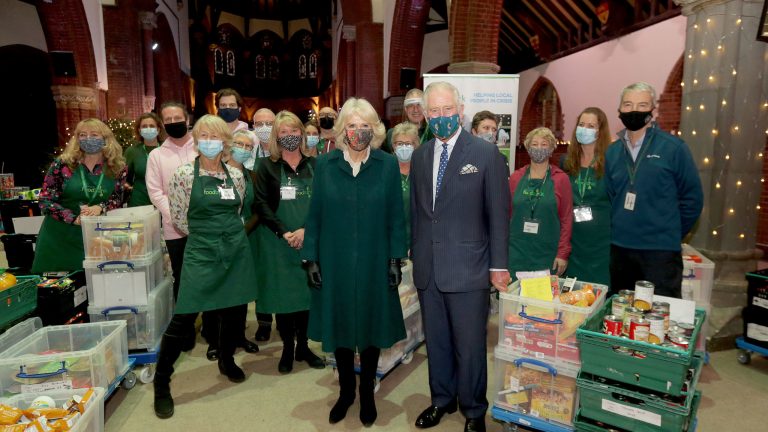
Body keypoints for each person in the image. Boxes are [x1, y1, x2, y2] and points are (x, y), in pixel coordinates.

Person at [410, 82, 509, 432]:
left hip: (469, 269)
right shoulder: (420, 156)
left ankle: (472, 409)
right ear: (425, 114)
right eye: (433, 111)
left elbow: (498, 215)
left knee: (469, 346)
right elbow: (418, 214)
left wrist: (498, 266)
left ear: (460, 110)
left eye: (446, 110)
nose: (440, 118)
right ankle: (441, 399)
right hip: (428, 269)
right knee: (435, 342)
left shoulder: (485, 155)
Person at [301, 97, 406, 427]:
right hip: (335, 260)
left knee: (372, 327)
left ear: (373, 129)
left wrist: (394, 259)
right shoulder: (326, 165)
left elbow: (395, 217)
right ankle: (346, 391)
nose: (358, 131)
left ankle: (368, 391)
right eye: (352, 125)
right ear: (343, 130)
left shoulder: (387, 165)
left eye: (365, 126)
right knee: (342, 325)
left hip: (376, 260)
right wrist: (311, 259)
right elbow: (314, 215)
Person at [153, 115, 258, 419]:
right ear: (196, 140)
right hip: (201, 249)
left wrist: (226, 235)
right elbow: (179, 218)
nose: (210, 140)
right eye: (204, 135)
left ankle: (226, 360)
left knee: (235, 310)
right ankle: (162, 383)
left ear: (225, 141)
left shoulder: (236, 176)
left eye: (216, 136)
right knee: (184, 315)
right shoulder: (184, 175)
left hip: (236, 249)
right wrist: (210, 234)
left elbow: (238, 211)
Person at [605, 82, 703, 298]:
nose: (634, 111)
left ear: (653, 111)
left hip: (660, 254)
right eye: (628, 104)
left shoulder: (674, 148)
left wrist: (669, 231)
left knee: (659, 319)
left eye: (642, 105)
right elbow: (611, 196)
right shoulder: (612, 152)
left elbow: (692, 200)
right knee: (623, 317)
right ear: (619, 110)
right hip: (620, 250)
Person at [252, 111, 324, 374]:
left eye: (294, 130)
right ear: (276, 136)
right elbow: (261, 204)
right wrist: (285, 232)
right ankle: (287, 348)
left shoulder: (316, 165)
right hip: (278, 243)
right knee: (284, 300)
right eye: (284, 132)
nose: (290, 136)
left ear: (302, 134)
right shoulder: (266, 166)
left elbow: (323, 203)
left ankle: (303, 346)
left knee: (306, 297)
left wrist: (306, 230)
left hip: (309, 239)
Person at [146, 102, 218, 360]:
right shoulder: (157, 155)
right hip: (175, 229)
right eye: (169, 118)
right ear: (162, 123)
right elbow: (156, 191)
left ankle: (211, 329)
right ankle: (185, 329)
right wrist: (177, 216)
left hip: (206, 226)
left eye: (178, 116)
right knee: (184, 279)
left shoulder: (202, 148)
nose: (174, 121)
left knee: (210, 277)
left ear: (187, 119)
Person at [32, 119, 128, 274]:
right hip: (60, 237)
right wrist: (73, 218)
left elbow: (117, 199)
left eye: (94, 134)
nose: (88, 138)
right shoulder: (63, 164)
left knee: (95, 289)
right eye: (83, 135)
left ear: (105, 138)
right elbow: (45, 200)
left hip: (97, 238)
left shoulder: (117, 167)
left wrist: (100, 207)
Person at [508, 127, 573, 280]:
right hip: (516, 254)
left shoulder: (561, 179)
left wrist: (563, 253)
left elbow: (566, 219)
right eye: (534, 144)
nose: (539, 148)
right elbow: (506, 216)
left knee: (543, 302)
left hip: (547, 255)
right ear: (527, 147)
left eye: (544, 144)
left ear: (551, 149)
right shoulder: (516, 178)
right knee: (514, 301)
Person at [560, 107, 612, 286]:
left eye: (591, 125)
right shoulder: (566, 162)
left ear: (600, 131)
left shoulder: (611, 163)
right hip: (574, 242)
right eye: (581, 125)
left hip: (601, 244)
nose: (585, 129)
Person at [225, 129, 261, 355]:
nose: (244, 149)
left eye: (249, 146)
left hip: (246, 238)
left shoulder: (253, 176)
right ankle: (216, 340)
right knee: (220, 290)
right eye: (239, 144)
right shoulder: (216, 173)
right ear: (229, 145)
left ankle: (239, 336)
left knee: (240, 291)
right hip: (220, 239)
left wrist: (243, 229)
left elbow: (259, 209)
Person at [251, 106, 278, 341]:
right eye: (259, 124)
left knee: (278, 272)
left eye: (269, 123)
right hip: (255, 225)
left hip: (279, 222)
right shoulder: (248, 153)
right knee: (261, 275)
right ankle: (263, 321)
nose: (264, 128)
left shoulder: (284, 153)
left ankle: (286, 318)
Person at [124, 112, 165, 207]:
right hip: (139, 202)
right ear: (139, 130)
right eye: (144, 126)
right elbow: (125, 178)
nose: (148, 129)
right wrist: (127, 186)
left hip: (164, 201)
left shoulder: (166, 148)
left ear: (158, 129)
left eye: (151, 126)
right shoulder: (132, 151)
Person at [390, 122, 419, 248]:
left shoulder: (424, 171)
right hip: (390, 243)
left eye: (408, 144)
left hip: (417, 243)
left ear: (416, 145)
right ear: (393, 146)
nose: (404, 147)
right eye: (399, 143)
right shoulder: (386, 170)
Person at [382, 88, 433, 153]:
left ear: (425, 107)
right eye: (411, 105)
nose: (416, 110)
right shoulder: (392, 134)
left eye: (419, 105)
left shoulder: (433, 133)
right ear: (406, 109)